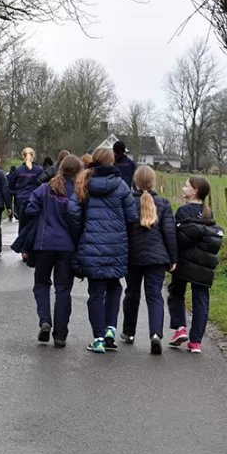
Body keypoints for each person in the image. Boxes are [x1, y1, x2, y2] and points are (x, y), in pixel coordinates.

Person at [67, 148, 138, 353]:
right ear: (112, 162)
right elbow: (132, 216)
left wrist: (80, 233)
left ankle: (98, 338)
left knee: (96, 292)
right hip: (117, 244)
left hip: (91, 243)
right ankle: (110, 330)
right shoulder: (121, 185)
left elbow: (72, 212)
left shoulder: (85, 183)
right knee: (115, 286)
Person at [26, 156, 82, 348]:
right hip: (67, 247)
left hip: (44, 244)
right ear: (78, 172)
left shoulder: (44, 189)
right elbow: (79, 219)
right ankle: (60, 335)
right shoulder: (77, 192)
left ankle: (44, 320)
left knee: (41, 284)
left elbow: (30, 210)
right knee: (63, 290)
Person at [121, 166, 178, 354]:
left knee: (132, 293)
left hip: (133, 256)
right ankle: (155, 334)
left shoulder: (129, 201)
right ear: (153, 182)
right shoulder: (163, 203)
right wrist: (173, 258)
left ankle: (129, 332)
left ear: (135, 182)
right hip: (157, 257)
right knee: (154, 295)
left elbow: (124, 230)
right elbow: (169, 233)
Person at [167, 177, 223, 354]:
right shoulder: (208, 213)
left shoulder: (183, 211)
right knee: (201, 299)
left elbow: (178, 238)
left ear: (195, 190)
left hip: (184, 261)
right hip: (203, 264)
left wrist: (172, 259)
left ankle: (180, 328)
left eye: (186, 186)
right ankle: (196, 341)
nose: (183, 189)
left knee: (176, 292)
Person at [10, 147, 44, 250]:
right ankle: (32, 248)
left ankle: (23, 249)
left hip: (21, 199)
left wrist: (18, 189)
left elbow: (11, 184)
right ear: (33, 156)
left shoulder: (18, 170)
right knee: (34, 224)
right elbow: (42, 184)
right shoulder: (39, 170)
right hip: (34, 199)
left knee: (22, 224)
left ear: (23, 156)